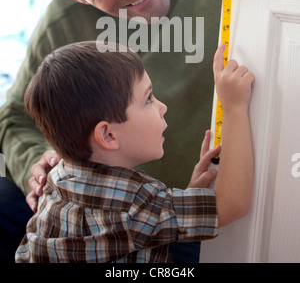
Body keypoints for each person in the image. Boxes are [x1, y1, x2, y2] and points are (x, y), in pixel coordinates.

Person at [0, 0, 235, 262]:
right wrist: (36, 163)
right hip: (100, 226)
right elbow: (14, 117)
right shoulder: (64, 22)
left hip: (191, 220)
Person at [15, 41, 254, 263]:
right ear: (108, 135)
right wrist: (234, 107)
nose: (162, 106)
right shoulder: (135, 205)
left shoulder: (57, 176)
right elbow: (231, 205)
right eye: (148, 98)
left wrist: (188, 197)